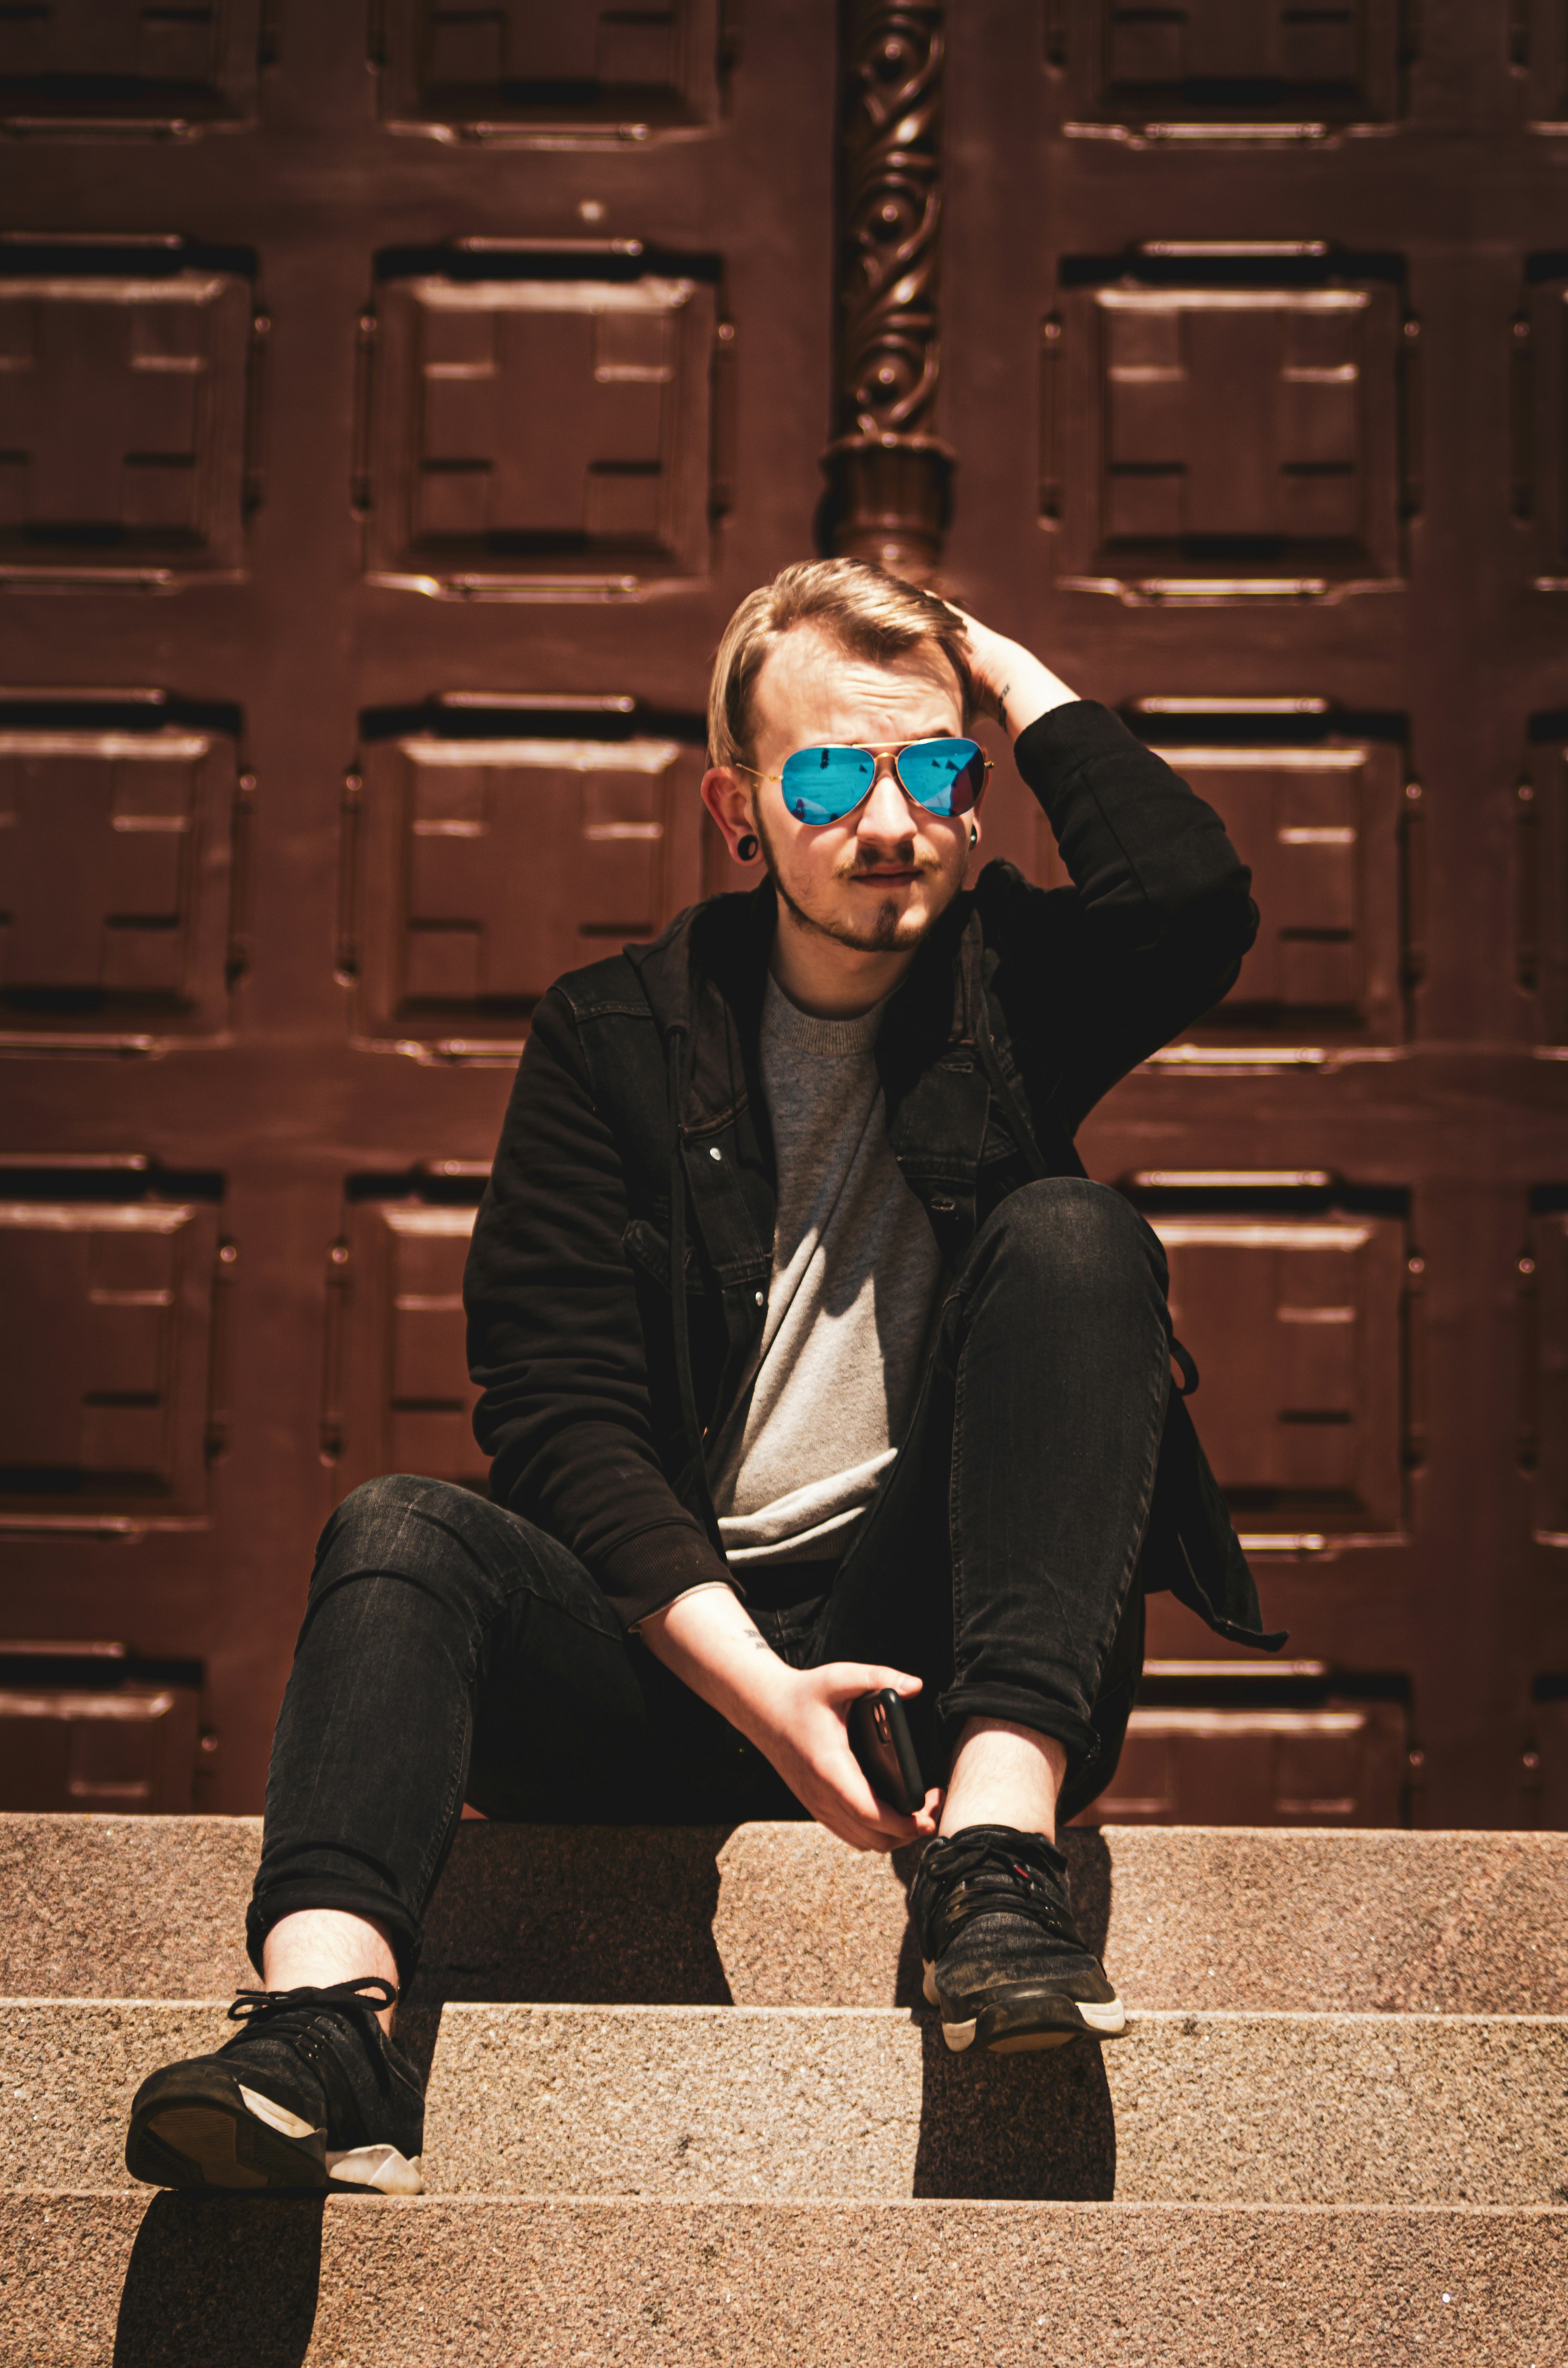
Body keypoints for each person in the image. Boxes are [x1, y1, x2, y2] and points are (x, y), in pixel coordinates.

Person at [124, 559, 1281, 2197]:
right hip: (673, 1656)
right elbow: (553, 1406)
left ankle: (996, 1867)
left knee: (1078, 1238)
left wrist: (1001, 672)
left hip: (941, 1673)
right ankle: (323, 2027)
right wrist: (765, 1703)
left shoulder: (1010, 986)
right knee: (398, 1527)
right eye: (832, 775)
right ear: (740, 813)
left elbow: (1191, 900)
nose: (891, 819)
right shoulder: (611, 1036)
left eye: (933, 769)